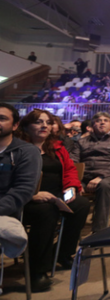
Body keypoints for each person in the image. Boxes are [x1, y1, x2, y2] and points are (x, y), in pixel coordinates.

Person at [16, 110, 90, 289]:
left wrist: (71, 188)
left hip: (56, 194)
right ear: (26, 126)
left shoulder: (56, 146)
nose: (44, 126)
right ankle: (38, 270)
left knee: (81, 204)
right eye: (38, 122)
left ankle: (63, 254)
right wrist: (32, 195)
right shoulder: (17, 148)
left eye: (48, 122)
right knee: (46, 211)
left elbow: (71, 170)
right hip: (26, 199)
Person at [0, 104, 43, 289]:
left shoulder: (26, 152)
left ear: (15, 125)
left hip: (6, 211)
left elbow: (22, 191)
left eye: (2, 118)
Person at [69, 112, 110, 232]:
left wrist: (101, 176)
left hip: (109, 177)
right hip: (84, 177)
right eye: (98, 120)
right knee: (70, 189)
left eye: (105, 120)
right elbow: (73, 162)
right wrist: (75, 181)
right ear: (92, 126)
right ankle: (70, 228)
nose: (102, 122)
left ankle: (99, 230)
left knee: (104, 185)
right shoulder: (82, 142)